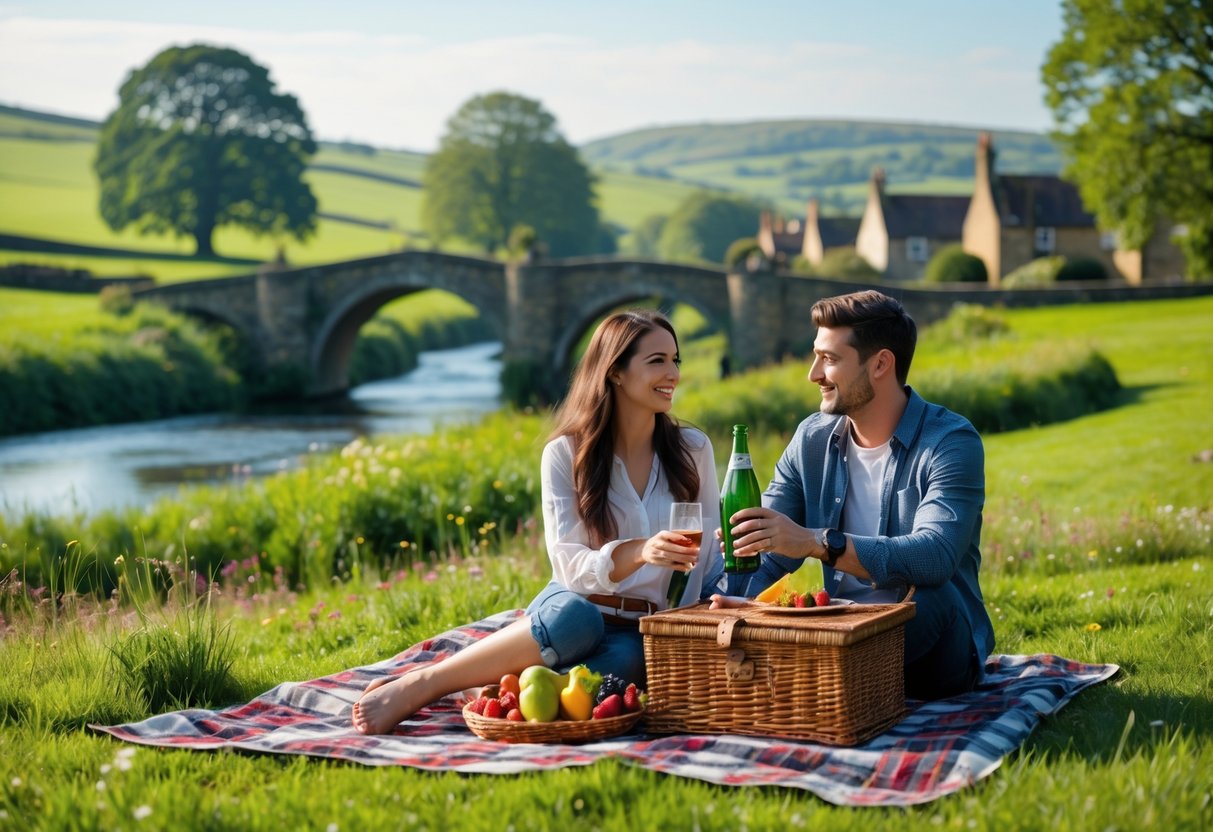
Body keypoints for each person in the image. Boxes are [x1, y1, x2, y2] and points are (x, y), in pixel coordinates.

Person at [353, 309, 724, 734]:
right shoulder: (566, 454)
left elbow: (707, 558)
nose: (673, 373)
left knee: (629, 664)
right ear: (616, 372)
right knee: (577, 620)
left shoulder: (692, 449)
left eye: (675, 360)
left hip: (642, 626)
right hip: (571, 607)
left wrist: (693, 621)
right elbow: (568, 567)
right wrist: (639, 552)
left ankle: (499, 684)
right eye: (656, 360)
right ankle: (422, 684)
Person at [712, 290, 993, 700]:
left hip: (935, 650)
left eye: (829, 359)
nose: (813, 374)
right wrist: (731, 599)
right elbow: (769, 551)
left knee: (932, 593)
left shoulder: (950, 442)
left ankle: (812, 685)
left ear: (880, 363)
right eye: (816, 356)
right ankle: (823, 684)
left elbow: (935, 556)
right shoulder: (811, 438)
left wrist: (818, 543)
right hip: (838, 638)